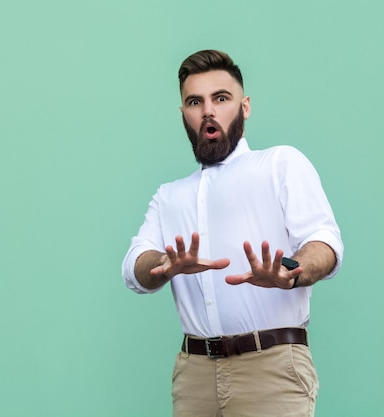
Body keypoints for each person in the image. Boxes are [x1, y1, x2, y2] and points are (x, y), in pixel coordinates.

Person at [122, 49, 344, 417]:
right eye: (195, 102)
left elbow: (325, 243)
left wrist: (291, 271)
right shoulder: (169, 196)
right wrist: (164, 263)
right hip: (193, 374)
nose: (208, 110)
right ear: (184, 115)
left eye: (220, 98)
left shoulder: (280, 163)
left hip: (271, 368)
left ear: (245, 107)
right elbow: (133, 269)